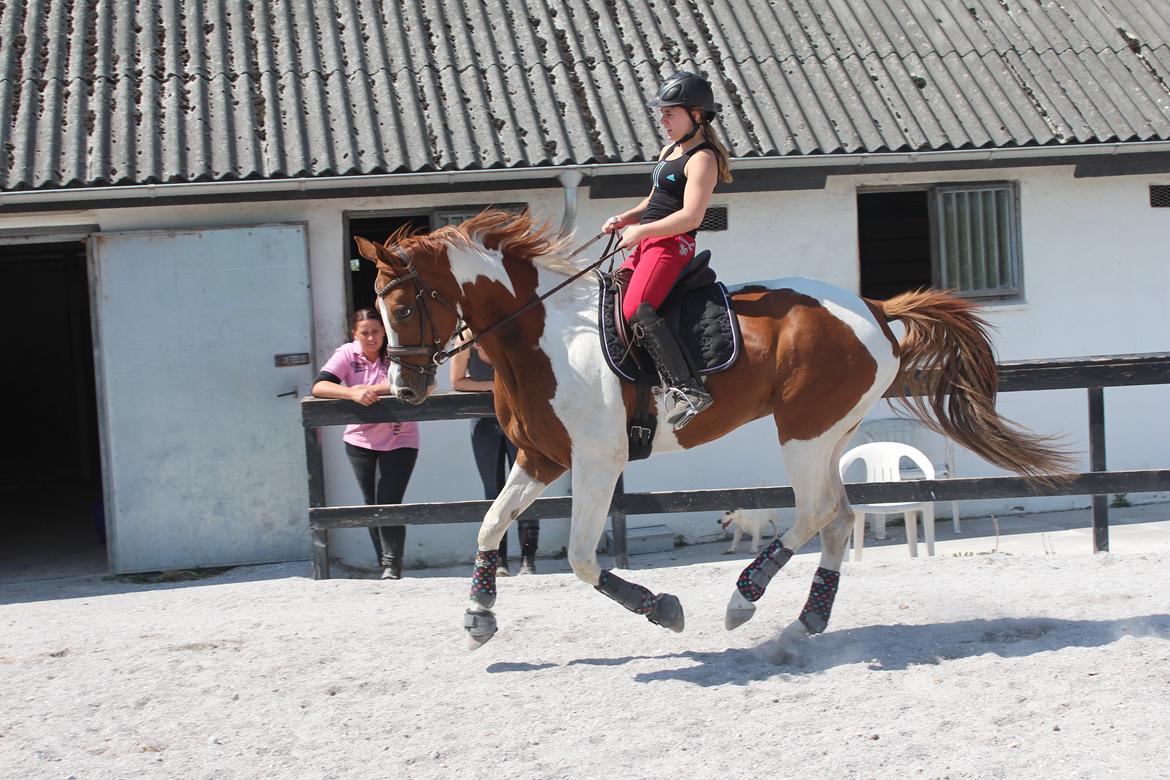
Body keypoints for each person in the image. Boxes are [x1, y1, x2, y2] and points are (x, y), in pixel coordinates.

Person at [602, 71, 734, 430]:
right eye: (662, 114)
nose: (663, 121)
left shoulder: (702, 159)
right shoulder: (670, 151)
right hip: (647, 242)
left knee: (635, 308)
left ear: (696, 115)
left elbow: (691, 216)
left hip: (672, 246)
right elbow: (655, 200)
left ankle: (688, 389)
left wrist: (641, 230)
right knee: (611, 297)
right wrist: (625, 217)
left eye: (670, 114)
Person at [312, 309, 419, 580]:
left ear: (385, 332)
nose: (371, 338)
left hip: (400, 437)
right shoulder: (347, 353)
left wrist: (372, 390)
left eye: (376, 332)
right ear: (355, 334)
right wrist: (351, 392)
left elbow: (416, 383)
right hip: (360, 440)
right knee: (371, 504)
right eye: (365, 333)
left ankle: (393, 565)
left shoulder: (397, 352)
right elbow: (319, 387)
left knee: (389, 500)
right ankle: (383, 563)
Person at [450, 343, 540, 575]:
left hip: (518, 420)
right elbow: (457, 381)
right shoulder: (464, 344)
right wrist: (493, 386)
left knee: (526, 487)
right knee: (493, 489)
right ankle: (498, 559)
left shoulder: (507, 335)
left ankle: (528, 558)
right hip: (483, 422)